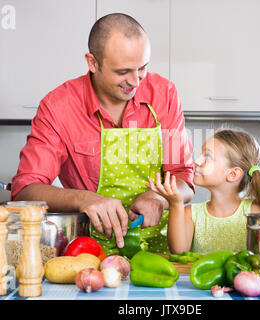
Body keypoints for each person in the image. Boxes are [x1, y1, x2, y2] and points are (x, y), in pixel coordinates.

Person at [10, 13, 194, 253]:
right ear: (93, 62)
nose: (135, 81)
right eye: (123, 72)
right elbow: (25, 189)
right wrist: (84, 199)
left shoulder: (164, 95)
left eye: (142, 69)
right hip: (88, 252)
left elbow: (183, 179)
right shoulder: (59, 107)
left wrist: (158, 198)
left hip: (161, 256)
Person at [147, 127, 260, 254]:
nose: (196, 161)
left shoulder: (254, 212)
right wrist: (176, 203)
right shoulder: (190, 214)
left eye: (207, 156)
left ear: (232, 174)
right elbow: (179, 251)